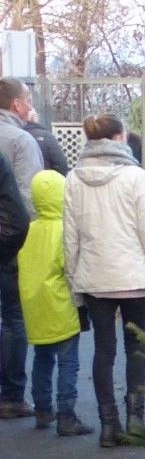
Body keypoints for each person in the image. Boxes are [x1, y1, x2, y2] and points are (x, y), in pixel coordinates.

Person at [64, 113, 145, 446]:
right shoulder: (135, 177)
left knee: (103, 351)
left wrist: (74, 285)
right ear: (119, 138)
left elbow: (70, 239)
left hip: (94, 277)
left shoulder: (74, 178)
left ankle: (108, 425)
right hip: (133, 275)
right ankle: (135, 422)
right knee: (136, 347)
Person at [17, 170, 89, 437]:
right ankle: (67, 415)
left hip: (35, 307)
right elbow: (70, 268)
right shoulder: (64, 230)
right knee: (68, 362)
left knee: (42, 359)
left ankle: (43, 410)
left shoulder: (29, 229)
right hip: (61, 306)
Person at [0, 81, 43, 420]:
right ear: (16, 104)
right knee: (14, 318)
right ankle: (12, 396)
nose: (30, 106)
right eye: (28, 99)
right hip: (10, 242)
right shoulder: (20, 140)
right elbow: (31, 198)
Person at [0, 78, 69, 175]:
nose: (30, 107)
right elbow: (28, 187)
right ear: (17, 104)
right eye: (28, 101)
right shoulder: (22, 140)